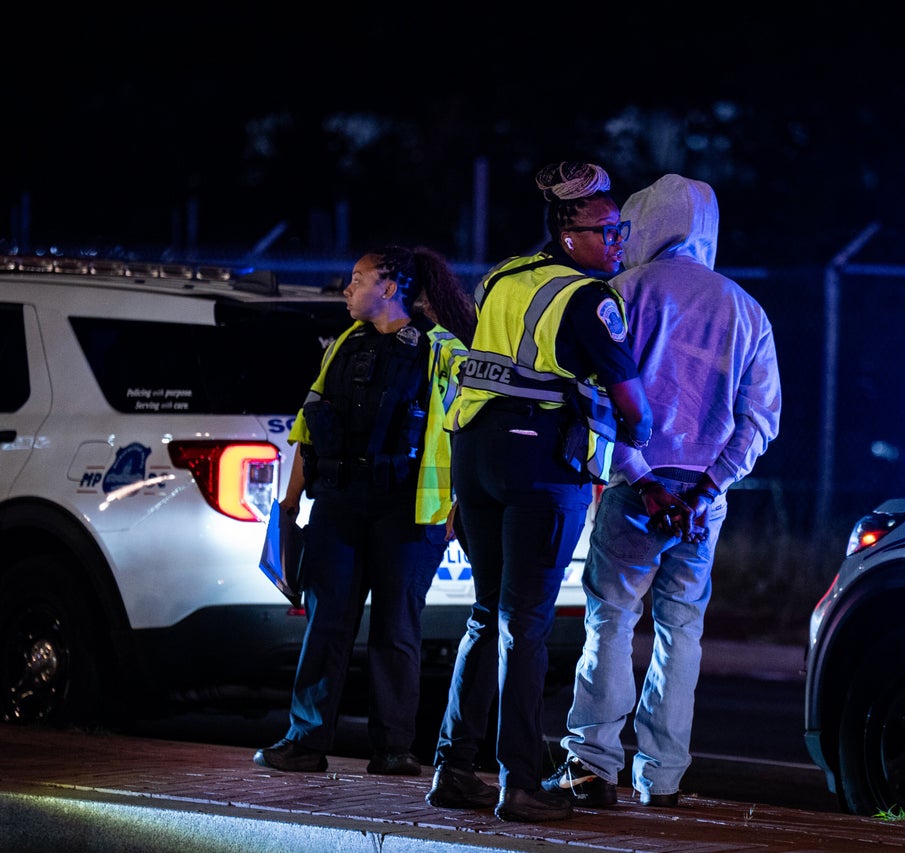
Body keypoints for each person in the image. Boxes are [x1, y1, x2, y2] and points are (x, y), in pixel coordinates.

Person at [541, 173, 782, 809]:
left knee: (611, 621)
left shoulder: (620, 293)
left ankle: (591, 764)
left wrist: (646, 482)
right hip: (704, 502)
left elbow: (598, 398)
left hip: (634, 490)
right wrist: (708, 489)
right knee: (682, 630)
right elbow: (760, 420)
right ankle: (663, 778)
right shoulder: (744, 309)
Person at [425, 161, 655, 823]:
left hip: (475, 451)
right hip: (540, 461)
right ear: (567, 230)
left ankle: (453, 766)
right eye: (604, 229)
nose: (615, 240)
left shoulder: (502, 275)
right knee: (524, 625)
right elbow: (630, 400)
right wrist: (637, 435)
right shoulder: (590, 297)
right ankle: (520, 783)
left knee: (486, 611)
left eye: (618, 228)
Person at [253, 245, 475, 776]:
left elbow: (466, 431)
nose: (347, 289)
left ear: (391, 287)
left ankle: (394, 749)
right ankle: (305, 742)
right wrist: (290, 502)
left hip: (408, 511)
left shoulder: (441, 350)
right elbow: (310, 427)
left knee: (396, 631)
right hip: (339, 505)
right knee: (326, 624)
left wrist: (457, 508)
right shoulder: (344, 346)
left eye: (358, 279)